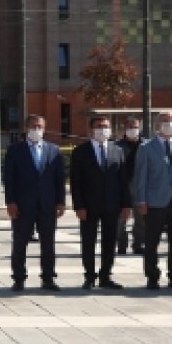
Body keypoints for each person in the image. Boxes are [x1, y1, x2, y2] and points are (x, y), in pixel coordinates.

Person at [3, 115, 66, 292]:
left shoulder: (53, 150)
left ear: (44, 128)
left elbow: (59, 179)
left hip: (47, 204)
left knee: (48, 243)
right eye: (33, 126)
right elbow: (9, 178)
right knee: (20, 242)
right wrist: (11, 201)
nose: (36, 129)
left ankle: (48, 278)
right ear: (26, 128)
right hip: (23, 205)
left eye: (40, 126)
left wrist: (61, 201)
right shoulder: (15, 150)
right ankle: (19, 278)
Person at [69, 116, 131, 290]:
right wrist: (78, 205)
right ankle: (89, 276)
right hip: (88, 206)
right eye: (99, 126)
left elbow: (123, 180)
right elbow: (76, 181)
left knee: (110, 241)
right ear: (91, 130)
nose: (102, 129)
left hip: (112, 204)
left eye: (105, 126)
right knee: (88, 241)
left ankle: (106, 276)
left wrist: (126, 204)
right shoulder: (81, 151)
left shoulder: (117, 150)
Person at [135, 112, 172, 290]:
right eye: (165, 121)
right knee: (152, 240)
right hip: (155, 201)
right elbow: (141, 177)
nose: (169, 124)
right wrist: (141, 200)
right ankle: (152, 276)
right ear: (157, 125)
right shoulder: (146, 147)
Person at [116, 116, 146, 255]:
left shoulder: (146, 145)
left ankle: (138, 244)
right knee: (120, 219)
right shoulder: (116, 146)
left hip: (141, 186)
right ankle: (121, 243)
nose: (133, 130)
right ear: (124, 128)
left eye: (135, 127)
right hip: (122, 187)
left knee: (141, 219)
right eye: (130, 127)